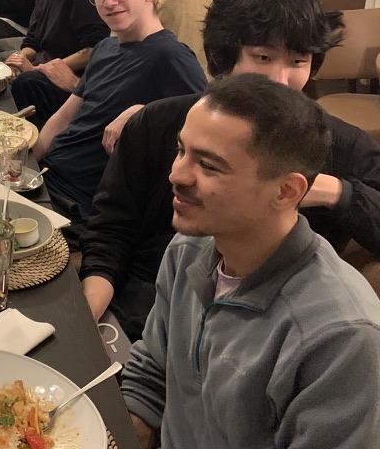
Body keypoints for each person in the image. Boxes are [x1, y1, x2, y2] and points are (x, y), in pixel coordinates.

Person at [81, 0, 380, 340]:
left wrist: (334, 191)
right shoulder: (160, 123)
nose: (280, 80)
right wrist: (86, 318)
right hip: (144, 304)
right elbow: (112, 227)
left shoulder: (342, 146)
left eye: (298, 61)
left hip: (269, 326)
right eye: (263, 58)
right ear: (227, 56)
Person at [121, 74, 380, 448]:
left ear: (286, 191)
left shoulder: (342, 339)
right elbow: (152, 374)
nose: (175, 174)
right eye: (181, 151)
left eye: (209, 166)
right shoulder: (187, 251)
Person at [31, 0, 206, 235]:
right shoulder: (105, 47)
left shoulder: (170, 56)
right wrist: (22, 165)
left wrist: (145, 112)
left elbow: (206, 116)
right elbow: (63, 118)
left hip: (79, 205)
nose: (109, 1)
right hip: (45, 179)